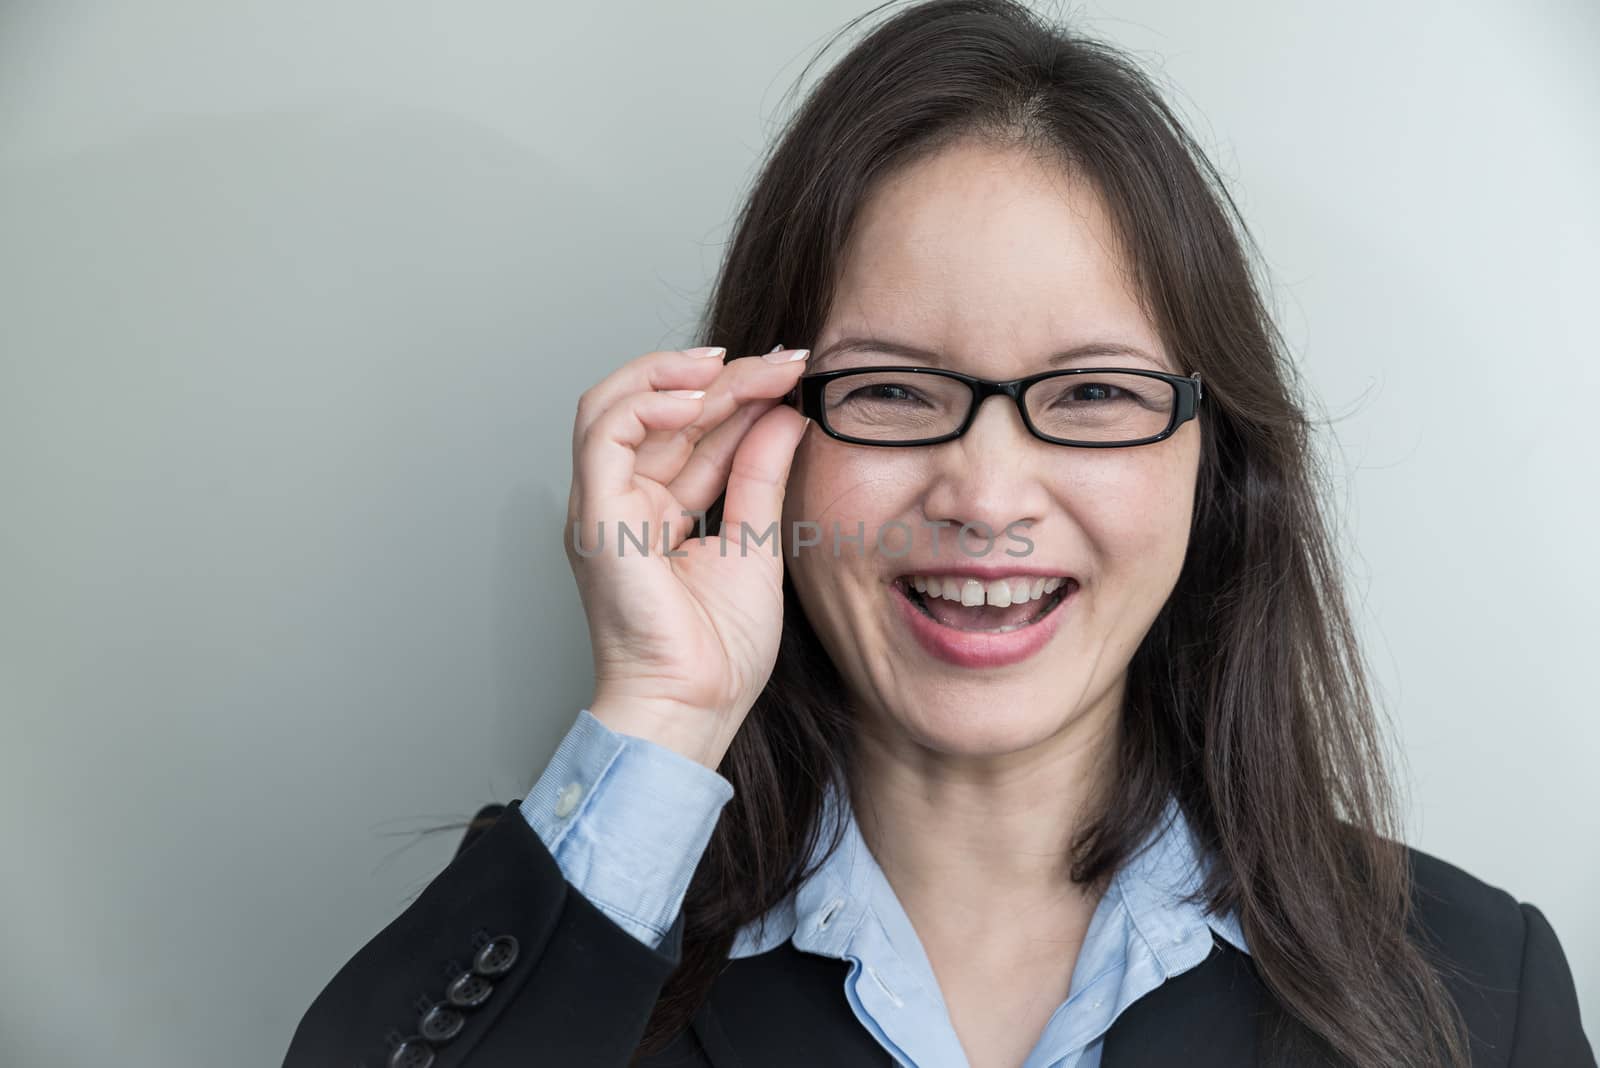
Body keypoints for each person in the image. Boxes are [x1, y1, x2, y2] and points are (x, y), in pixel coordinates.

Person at [281, 1, 1594, 1066]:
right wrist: (661, 709)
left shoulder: (1485, 994)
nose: (986, 492)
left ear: (1217, 464)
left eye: (1090, 394)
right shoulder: (582, 947)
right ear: (761, 439)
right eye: (894, 391)